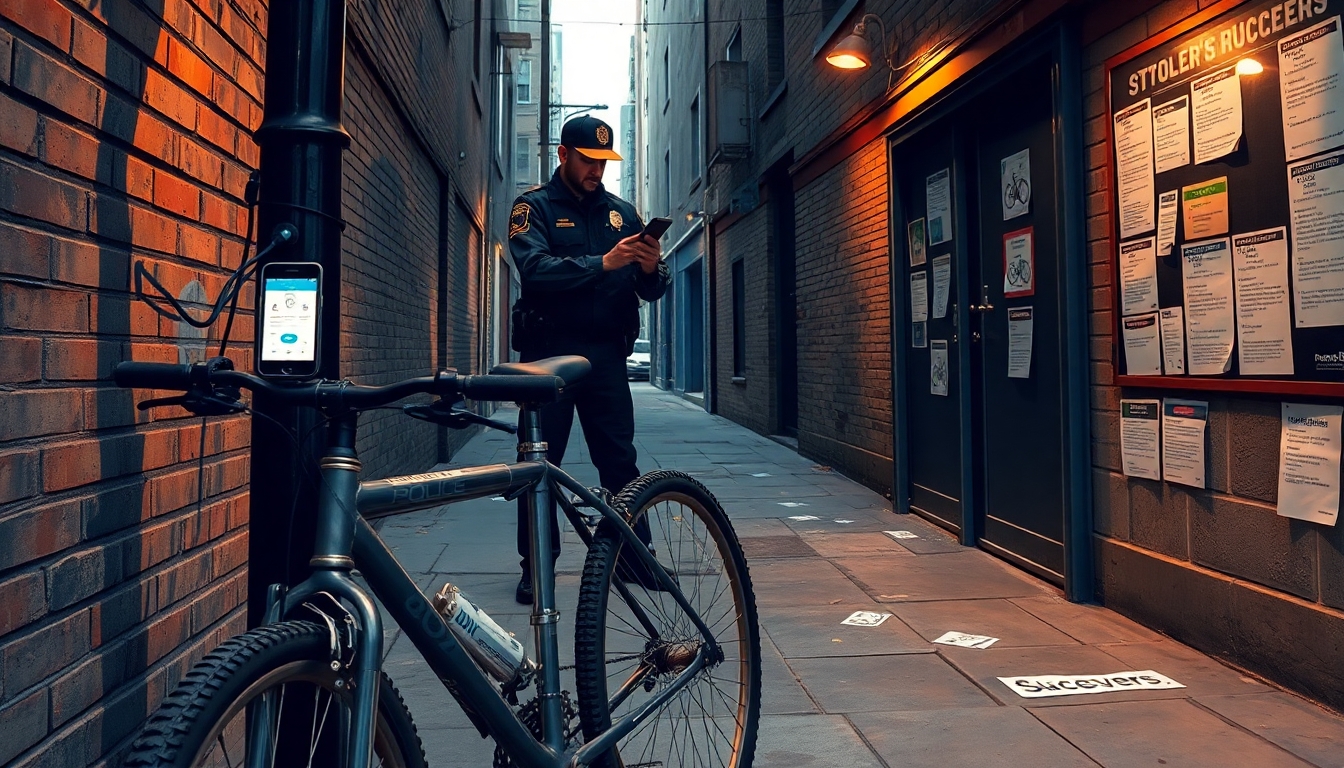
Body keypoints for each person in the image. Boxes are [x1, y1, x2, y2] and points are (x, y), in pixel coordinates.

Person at [507, 115, 670, 604]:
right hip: (548, 358)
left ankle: (632, 559)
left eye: (603, 161)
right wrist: (603, 262)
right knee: (538, 464)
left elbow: (653, 287)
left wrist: (649, 267)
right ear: (563, 154)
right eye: (587, 160)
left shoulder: (622, 213)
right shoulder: (531, 207)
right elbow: (535, 270)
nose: (596, 169)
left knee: (620, 462)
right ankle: (536, 568)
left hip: (605, 356)